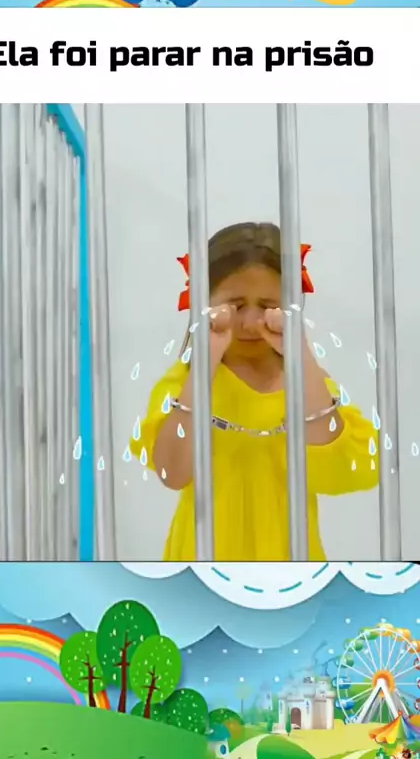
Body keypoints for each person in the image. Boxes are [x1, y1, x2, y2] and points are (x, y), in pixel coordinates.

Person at [131, 222, 379, 560]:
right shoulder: (183, 383)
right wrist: (206, 360)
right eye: (235, 305)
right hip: (202, 560)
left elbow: (345, 473)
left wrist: (300, 354)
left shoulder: (310, 383)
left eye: (267, 306)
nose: (249, 323)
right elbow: (172, 473)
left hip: (292, 562)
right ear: (204, 303)